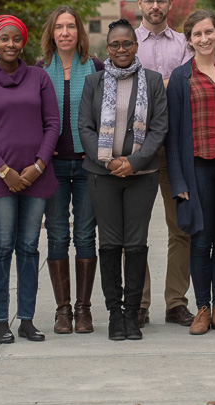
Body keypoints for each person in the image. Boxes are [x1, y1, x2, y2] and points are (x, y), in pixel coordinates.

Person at [0, 15, 60, 343]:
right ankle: (2, 319)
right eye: (4, 38)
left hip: (36, 176)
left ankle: (28, 320)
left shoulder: (39, 77)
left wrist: (38, 165)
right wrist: (4, 171)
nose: (11, 44)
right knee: (2, 248)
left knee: (30, 248)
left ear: (23, 42)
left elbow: (52, 124)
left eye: (16, 39)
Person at [79, 18, 168, 341]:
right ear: (107, 48)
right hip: (102, 175)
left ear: (136, 46)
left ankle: (133, 314)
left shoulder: (154, 82)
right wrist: (108, 161)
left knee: (136, 244)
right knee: (110, 244)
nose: (120, 50)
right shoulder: (94, 82)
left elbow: (159, 128)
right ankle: (115, 314)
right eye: (114, 45)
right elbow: (85, 127)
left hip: (141, 176)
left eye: (126, 44)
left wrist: (133, 162)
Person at [166, 10, 215, 335]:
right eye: (197, 34)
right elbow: (172, 137)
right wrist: (178, 180)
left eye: (209, 32)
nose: (204, 39)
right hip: (196, 167)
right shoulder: (181, 78)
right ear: (189, 40)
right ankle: (201, 308)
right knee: (200, 239)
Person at [37, 6, 104, 334]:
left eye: (71, 27)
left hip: (87, 164)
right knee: (58, 235)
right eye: (59, 27)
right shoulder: (38, 71)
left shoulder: (94, 68)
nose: (65, 32)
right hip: (52, 167)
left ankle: (83, 309)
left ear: (79, 32)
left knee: (85, 236)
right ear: (51, 33)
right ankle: (62, 310)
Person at [135, 0, 194, 328]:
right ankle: (139, 303)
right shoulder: (126, 42)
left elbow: (190, 82)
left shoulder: (185, 44)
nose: (155, 6)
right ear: (139, 4)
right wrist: (169, 84)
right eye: (149, 0)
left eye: (161, 1)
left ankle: (176, 302)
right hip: (140, 149)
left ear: (170, 4)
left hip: (175, 148)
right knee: (136, 231)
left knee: (181, 229)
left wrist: (154, 84)